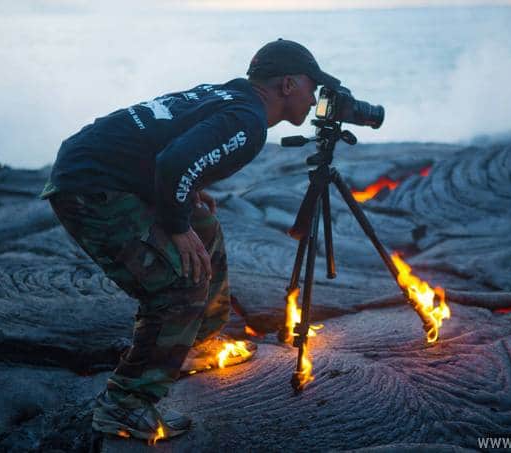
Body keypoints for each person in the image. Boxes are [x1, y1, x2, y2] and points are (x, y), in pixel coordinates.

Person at [40, 39, 340, 441]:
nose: (315, 95)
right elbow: (173, 161)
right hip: (91, 187)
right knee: (180, 284)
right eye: (311, 85)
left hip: (102, 167)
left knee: (205, 227)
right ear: (288, 85)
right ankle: (125, 405)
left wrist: (186, 195)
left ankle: (191, 343)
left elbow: (171, 143)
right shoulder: (248, 121)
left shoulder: (230, 93)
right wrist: (176, 227)